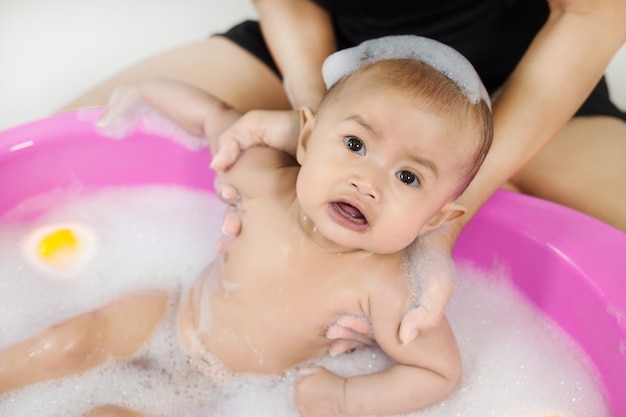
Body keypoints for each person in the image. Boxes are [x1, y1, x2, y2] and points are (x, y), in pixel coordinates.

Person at [59, 0, 626, 341]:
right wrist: (324, 126)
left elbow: (590, 13)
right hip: (335, 58)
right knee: (64, 158)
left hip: (519, 81)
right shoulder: (322, 119)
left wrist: (443, 215)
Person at [0, 37, 493, 417]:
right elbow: (213, 116)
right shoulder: (265, 185)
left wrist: (345, 395)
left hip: (234, 395)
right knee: (63, 342)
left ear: (436, 219)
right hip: (171, 318)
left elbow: (437, 371)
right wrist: (144, 91)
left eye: (408, 176)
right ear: (306, 139)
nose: (367, 182)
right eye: (356, 146)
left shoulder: (389, 287)